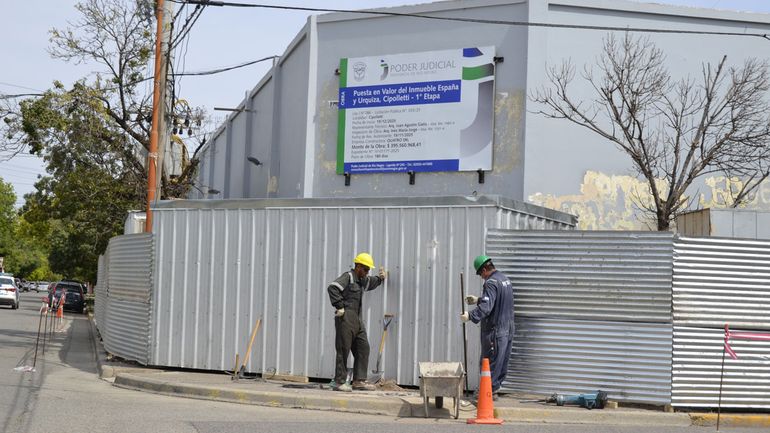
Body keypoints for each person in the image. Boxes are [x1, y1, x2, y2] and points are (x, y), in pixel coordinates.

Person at [327, 252, 386, 392]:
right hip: (345, 317)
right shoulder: (348, 277)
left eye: (368, 270)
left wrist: (380, 278)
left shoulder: (361, 280)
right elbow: (333, 288)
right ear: (358, 266)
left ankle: (359, 381)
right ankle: (339, 382)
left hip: (357, 319)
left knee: (363, 347)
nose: (367, 272)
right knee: (343, 349)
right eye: (365, 269)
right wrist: (339, 306)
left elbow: (370, 283)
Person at [460, 255, 514, 396]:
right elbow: (497, 301)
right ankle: (495, 388)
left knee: (488, 361)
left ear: (484, 269)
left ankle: (486, 392)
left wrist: (470, 315)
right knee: (501, 359)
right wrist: (478, 299)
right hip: (507, 328)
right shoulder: (505, 279)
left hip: (495, 329)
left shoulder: (490, 282)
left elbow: (487, 308)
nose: (481, 277)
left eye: (480, 274)